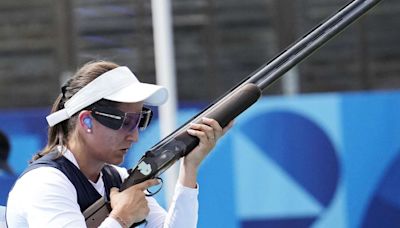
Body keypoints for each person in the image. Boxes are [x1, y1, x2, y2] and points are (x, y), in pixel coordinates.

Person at [6, 60, 233, 228]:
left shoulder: (116, 178)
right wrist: (122, 218)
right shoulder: (45, 183)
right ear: (86, 121)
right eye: (127, 122)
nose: (134, 136)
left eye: (141, 120)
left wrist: (190, 168)